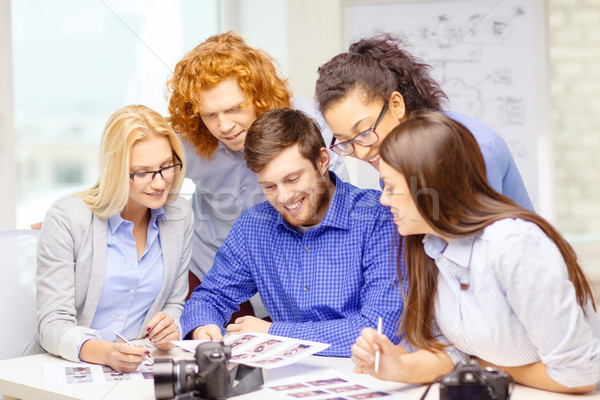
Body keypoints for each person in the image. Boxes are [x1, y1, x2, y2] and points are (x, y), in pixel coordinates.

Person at [351, 111, 600, 393]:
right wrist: (398, 368)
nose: (383, 200)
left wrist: (481, 364)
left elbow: (579, 375)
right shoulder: (431, 248)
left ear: (429, 186)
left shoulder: (513, 245)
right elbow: (455, 353)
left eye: (392, 189)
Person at [180, 108, 403, 357]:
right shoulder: (253, 227)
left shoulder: (380, 217)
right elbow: (209, 298)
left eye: (293, 179)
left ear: (322, 161)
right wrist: (202, 326)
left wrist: (276, 334)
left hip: (366, 377)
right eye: (269, 186)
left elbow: (380, 330)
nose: (284, 197)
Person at [166, 32, 347, 317]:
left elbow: (336, 210)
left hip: (288, 272)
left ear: (259, 96)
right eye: (210, 115)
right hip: (211, 267)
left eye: (234, 109)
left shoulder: (309, 124)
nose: (224, 126)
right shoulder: (187, 139)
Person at [24, 105, 193, 373]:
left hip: (139, 371)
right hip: (65, 370)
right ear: (115, 170)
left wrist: (170, 326)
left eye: (166, 166)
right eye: (142, 172)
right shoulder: (68, 216)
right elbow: (53, 324)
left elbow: (174, 303)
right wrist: (107, 353)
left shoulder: (179, 215)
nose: (160, 183)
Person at [315, 33, 534, 210]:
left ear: (396, 105)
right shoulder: (394, 166)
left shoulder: (472, 148)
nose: (361, 153)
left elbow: (478, 252)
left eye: (364, 132)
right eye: (345, 143)